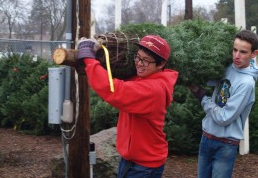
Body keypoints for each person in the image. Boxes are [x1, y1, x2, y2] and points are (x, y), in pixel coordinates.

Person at [77, 35, 178, 178]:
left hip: (144, 167)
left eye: (146, 61)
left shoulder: (153, 89)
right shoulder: (144, 77)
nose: (139, 63)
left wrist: (89, 59)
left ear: (161, 65)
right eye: (138, 57)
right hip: (133, 161)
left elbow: (113, 89)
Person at [190, 29, 258, 178]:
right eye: (234, 50)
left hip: (225, 145)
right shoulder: (227, 67)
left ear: (254, 54)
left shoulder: (246, 83)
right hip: (206, 137)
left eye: (243, 52)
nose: (237, 56)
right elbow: (207, 79)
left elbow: (224, 117)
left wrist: (201, 96)